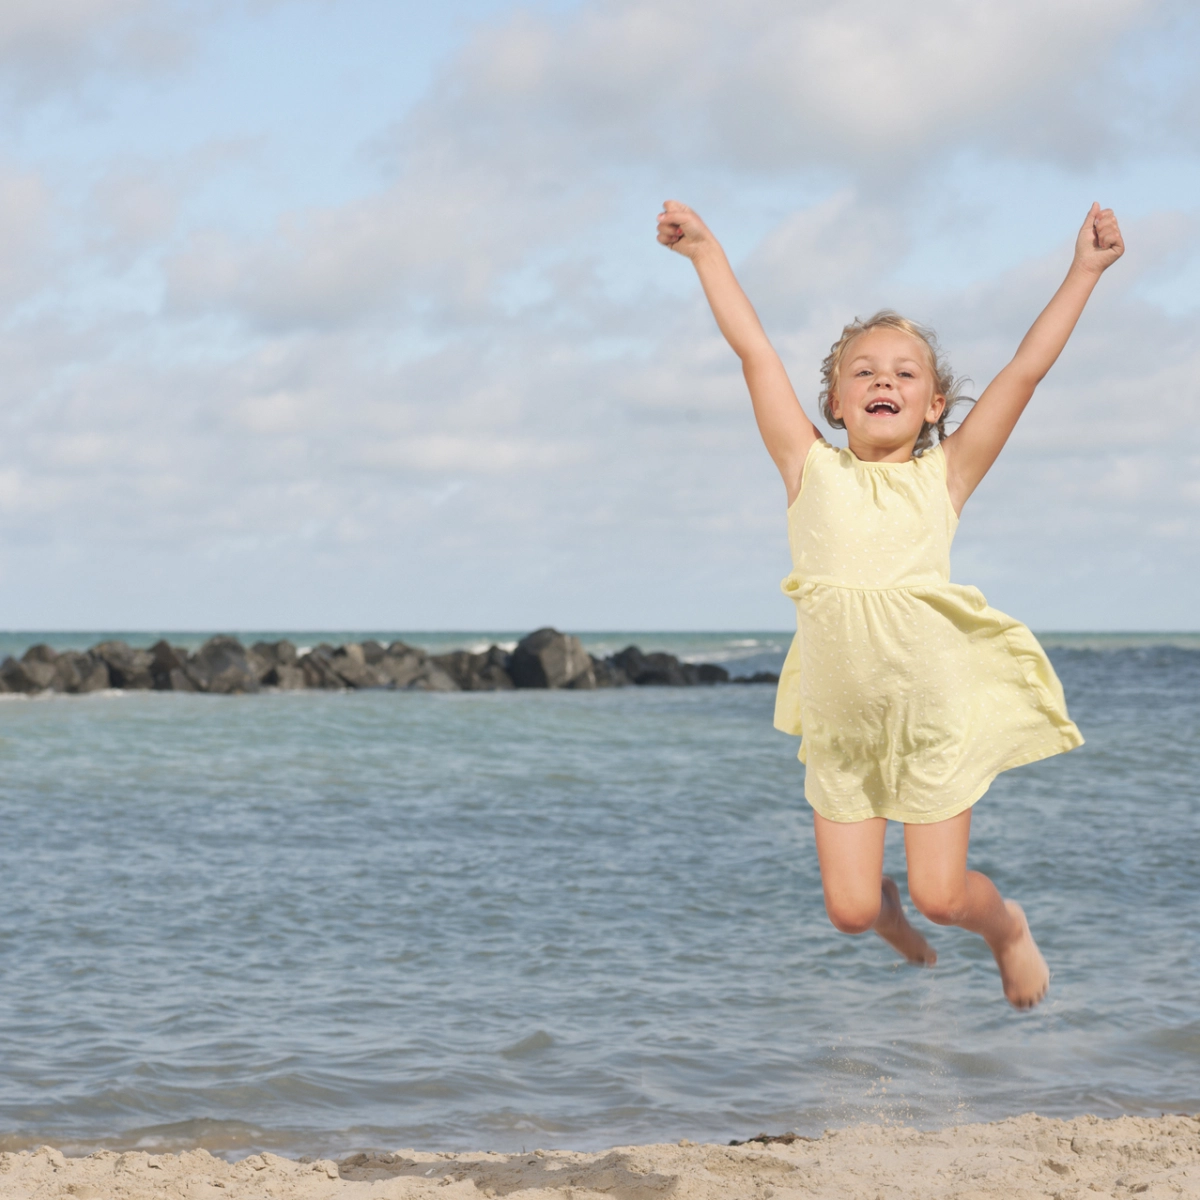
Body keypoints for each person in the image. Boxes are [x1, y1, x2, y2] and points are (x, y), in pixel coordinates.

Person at [657, 199, 1124, 1009]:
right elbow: (754, 352)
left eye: (906, 373)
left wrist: (1083, 271)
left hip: (930, 717)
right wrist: (705, 254)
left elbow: (1024, 371)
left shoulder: (945, 476)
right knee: (850, 911)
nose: (884, 380)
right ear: (835, 403)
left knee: (946, 897)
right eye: (863, 371)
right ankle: (888, 916)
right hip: (842, 723)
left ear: (936, 405)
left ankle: (1007, 929)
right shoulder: (809, 469)